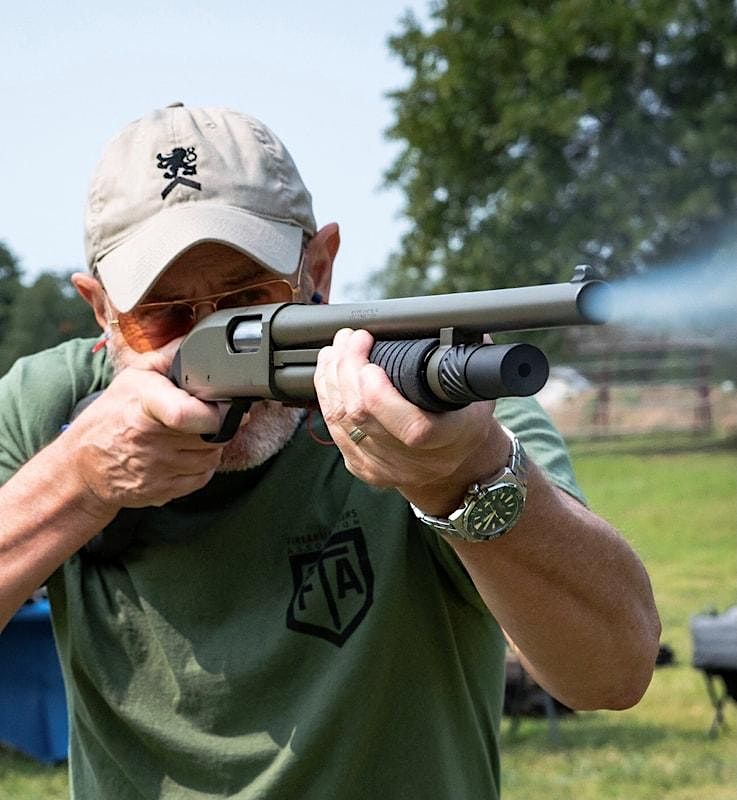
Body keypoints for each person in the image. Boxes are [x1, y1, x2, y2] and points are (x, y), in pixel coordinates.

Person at [0, 103, 660, 799]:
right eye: (163, 314)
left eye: (247, 299)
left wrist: (465, 477)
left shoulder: (439, 403)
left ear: (318, 267)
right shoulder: (48, 405)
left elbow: (612, 672)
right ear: (101, 310)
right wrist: (78, 482)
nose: (211, 339)